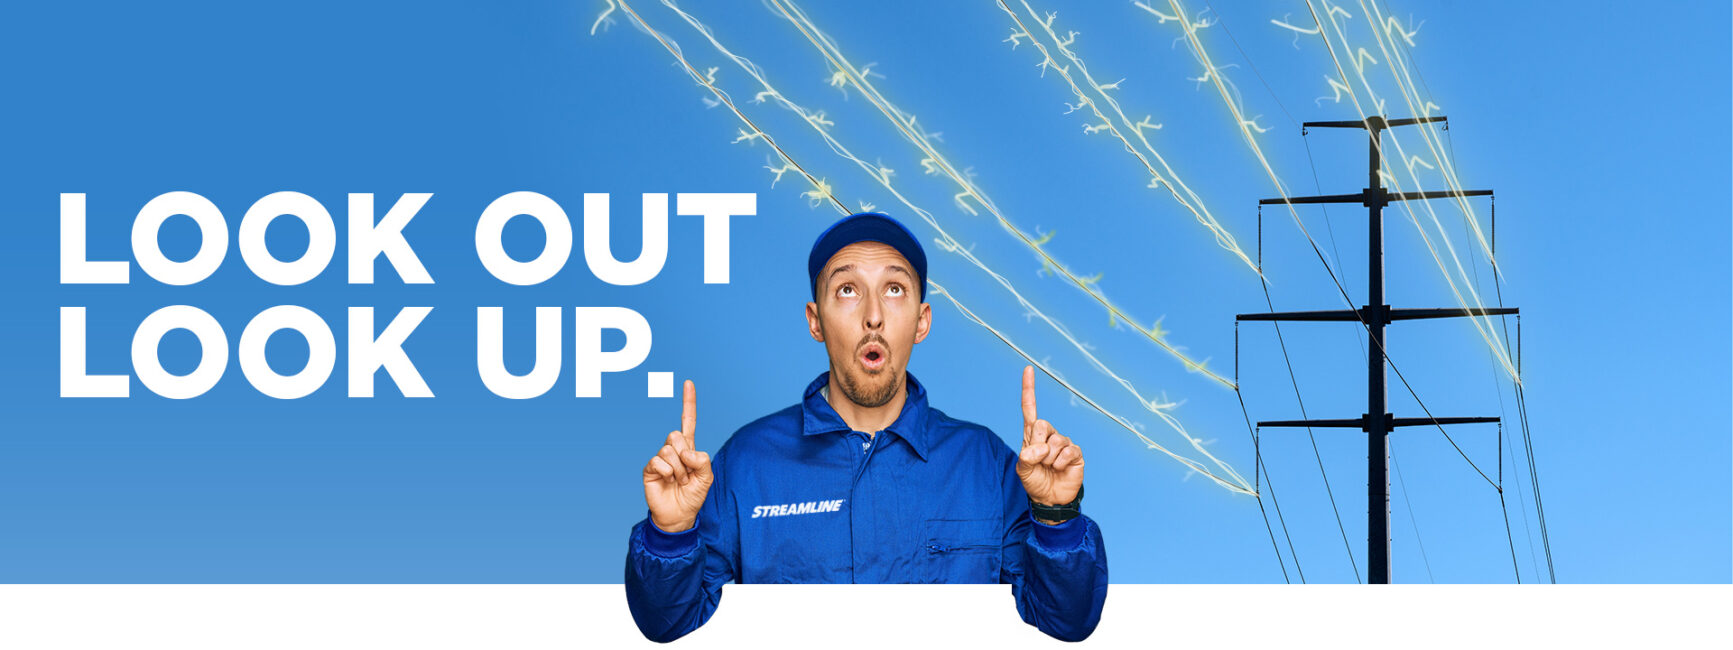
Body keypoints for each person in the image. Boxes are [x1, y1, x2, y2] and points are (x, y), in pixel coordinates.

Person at [624, 212, 1108, 642]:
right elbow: (667, 622)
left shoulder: (983, 465)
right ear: (816, 321)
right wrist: (670, 531)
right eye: (848, 290)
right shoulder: (748, 464)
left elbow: (1066, 621)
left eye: (894, 290)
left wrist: (1056, 515)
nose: (873, 316)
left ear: (922, 321)